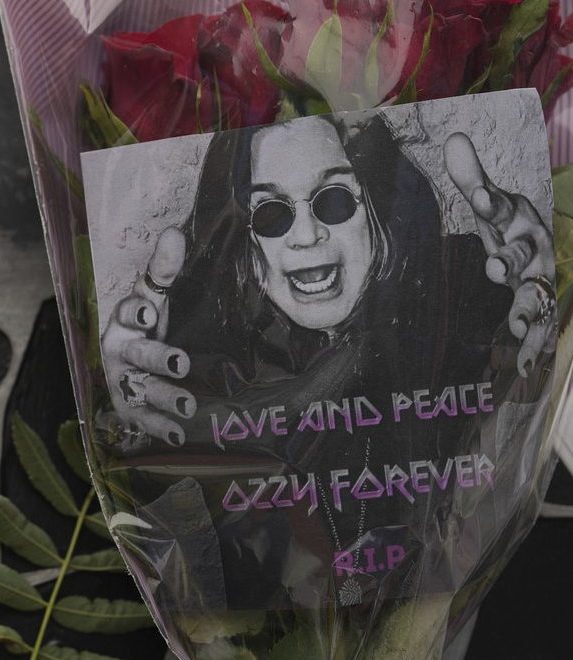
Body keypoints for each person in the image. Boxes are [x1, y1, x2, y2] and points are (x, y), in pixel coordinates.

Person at [99, 111, 556, 609]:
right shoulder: (204, 374)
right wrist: (132, 428)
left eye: (334, 200)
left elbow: (528, 393)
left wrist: (548, 295)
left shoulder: (463, 295)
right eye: (272, 214)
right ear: (243, 239)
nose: (306, 234)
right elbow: (200, 574)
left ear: (376, 207)